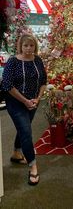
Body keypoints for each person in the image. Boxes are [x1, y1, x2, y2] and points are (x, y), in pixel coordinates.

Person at [1, 34, 47, 186]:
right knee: (26, 132)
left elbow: (43, 82)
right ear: (20, 46)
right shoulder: (13, 62)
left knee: (23, 129)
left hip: (33, 102)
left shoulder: (38, 60)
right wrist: (25, 101)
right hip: (16, 103)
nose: (28, 49)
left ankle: (16, 153)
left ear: (35, 46)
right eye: (25, 45)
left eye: (31, 46)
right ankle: (33, 167)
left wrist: (37, 99)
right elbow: (7, 85)